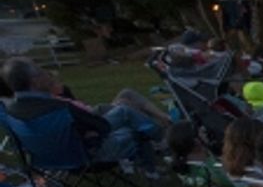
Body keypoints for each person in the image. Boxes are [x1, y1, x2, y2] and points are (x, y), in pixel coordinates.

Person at [3, 58, 162, 179]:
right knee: (133, 125)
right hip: (90, 158)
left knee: (124, 112)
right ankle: (162, 150)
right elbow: (102, 126)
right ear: (35, 82)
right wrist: (90, 131)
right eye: (42, 72)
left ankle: (158, 153)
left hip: (48, 163)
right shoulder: (58, 107)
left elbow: (18, 147)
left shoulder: (10, 112)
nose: (47, 74)